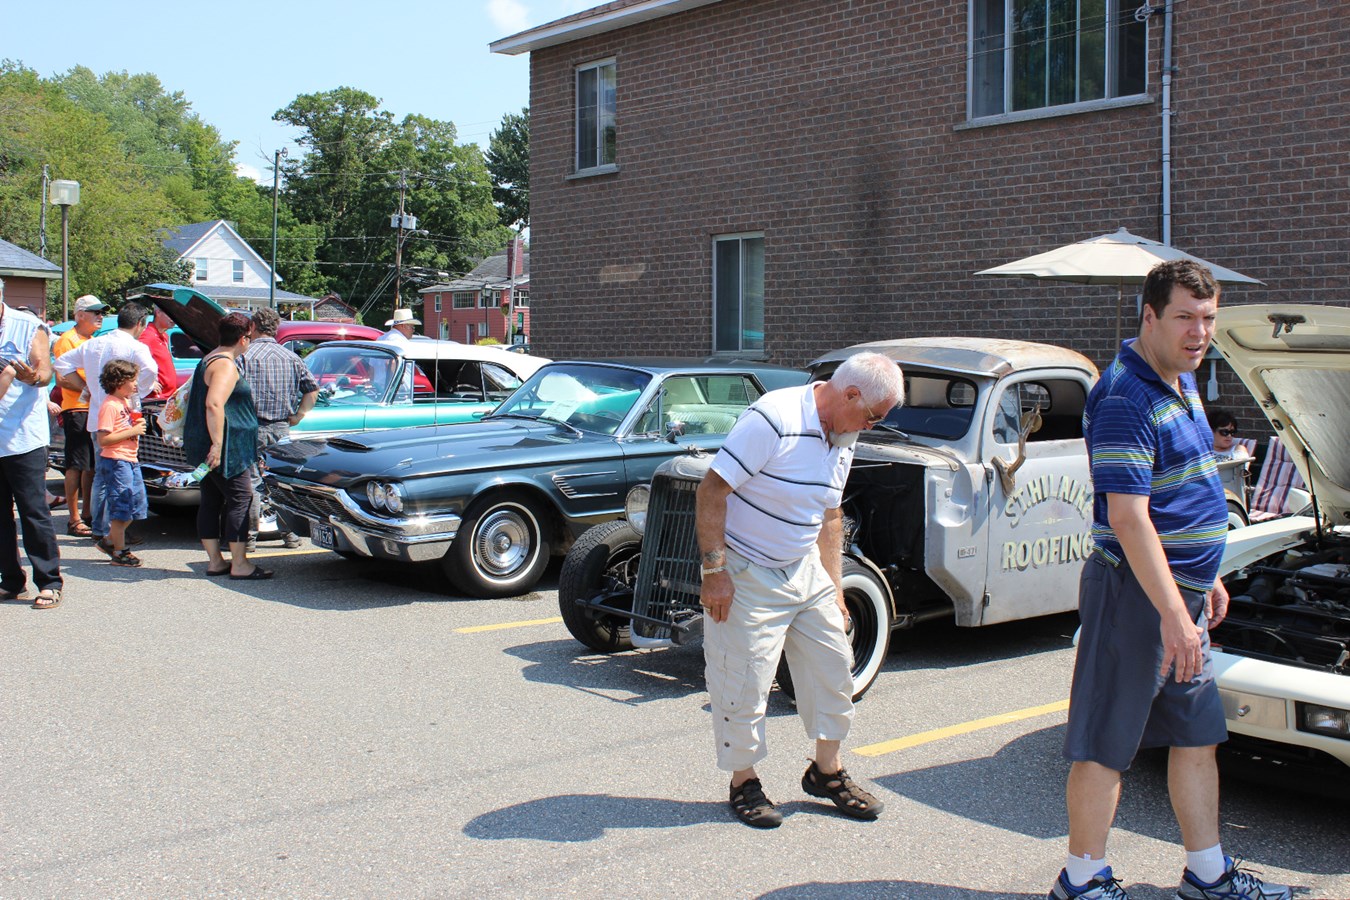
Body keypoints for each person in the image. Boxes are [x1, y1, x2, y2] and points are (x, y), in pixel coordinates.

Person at [1050, 260, 1290, 900]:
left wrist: (1203, 577)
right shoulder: (1127, 396)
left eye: (1208, 318)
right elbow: (1128, 519)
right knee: (1106, 742)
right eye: (1185, 316)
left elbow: (1183, 491)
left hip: (1176, 591)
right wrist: (1175, 615)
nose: (1199, 331)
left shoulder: (1180, 381)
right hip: (1135, 596)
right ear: (1149, 317)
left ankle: (1207, 873)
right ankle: (1082, 879)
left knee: (1195, 735)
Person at [695, 351, 904, 828]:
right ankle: (743, 782)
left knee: (835, 668)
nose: (872, 426)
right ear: (850, 394)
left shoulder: (845, 431)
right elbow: (711, 491)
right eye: (873, 415)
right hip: (747, 570)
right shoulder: (773, 419)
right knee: (742, 683)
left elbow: (830, 515)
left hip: (805, 566)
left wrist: (833, 589)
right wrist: (716, 574)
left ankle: (826, 772)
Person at [53, 302, 158, 546]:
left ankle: (100, 527)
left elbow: (61, 364)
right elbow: (151, 371)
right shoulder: (134, 346)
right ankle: (114, 530)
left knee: (101, 475)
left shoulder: (93, 343)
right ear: (140, 324)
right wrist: (136, 394)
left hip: (96, 416)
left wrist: (86, 389)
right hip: (122, 419)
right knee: (121, 479)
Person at [183, 312, 269, 580]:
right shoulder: (225, 365)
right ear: (244, 338)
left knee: (211, 499)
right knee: (241, 498)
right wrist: (218, 445)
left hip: (206, 444)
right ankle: (240, 564)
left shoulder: (208, 358)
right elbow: (214, 404)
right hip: (226, 449)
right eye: (250, 338)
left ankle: (216, 561)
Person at [0, 277, 63, 609]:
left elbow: (45, 372)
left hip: (22, 436)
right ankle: (10, 580)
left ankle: (49, 581)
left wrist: (31, 377)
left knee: (33, 511)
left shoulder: (27, 326)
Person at [241, 307, 318, 550]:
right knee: (281, 482)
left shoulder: (243, 356)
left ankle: (249, 539)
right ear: (276, 328)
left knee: (252, 482)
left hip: (250, 426)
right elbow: (312, 389)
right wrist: (298, 415)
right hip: (282, 427)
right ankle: (290, 535)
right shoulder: (292, 358)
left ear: (253, 327)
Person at [52, 295, 107, 537]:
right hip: (76, 408)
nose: (100, 316)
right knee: (75, 463)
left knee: (90, 465)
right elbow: (62, 377)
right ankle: (73, 518)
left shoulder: (92, 340)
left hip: (92, 408)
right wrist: (89, 389)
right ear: (80, 315)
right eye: (95, 312)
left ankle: (87, 513)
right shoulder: (68, 340)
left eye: (101, 312)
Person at [94, 359, 149, 567]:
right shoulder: (110, 405)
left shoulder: (125, 402)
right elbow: (103, 440)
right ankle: (120, 551)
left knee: (136, 505)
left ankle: (109, 540)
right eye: (132, 380)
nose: (136, 385)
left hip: (130, 459)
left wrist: (136, 424)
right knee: (122, 508)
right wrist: (132, 431)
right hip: (116, 460)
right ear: (118, 382)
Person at [138, 307, 178, 401]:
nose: (174, 318)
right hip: (156, 400)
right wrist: (149, 384)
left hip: (167, 398)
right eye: (170, 313)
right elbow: (134, 362)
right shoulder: (148, 336)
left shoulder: (164, 336)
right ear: (158, 312)